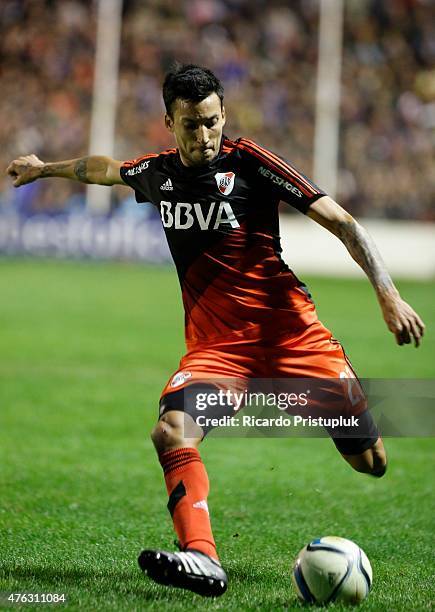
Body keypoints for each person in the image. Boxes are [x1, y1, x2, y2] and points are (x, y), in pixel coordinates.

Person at [6, 64, 425, 598]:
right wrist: (45, 169)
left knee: (372, 463)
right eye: (190, 125)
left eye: (211, 122)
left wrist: (388, 294)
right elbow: (104, 169)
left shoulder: (251, 163)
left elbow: (343, 222)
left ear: (223, 114)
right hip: (219, 354)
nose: (203, 136)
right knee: (171, 432)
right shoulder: (156, 173)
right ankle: (202, 558)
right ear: (169, 122)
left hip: (293, 339)